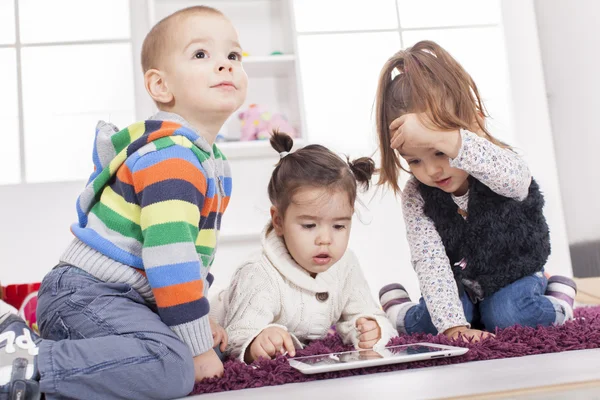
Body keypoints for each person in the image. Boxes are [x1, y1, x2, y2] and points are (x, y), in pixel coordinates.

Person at [0, 5, 247, 399]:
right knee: (172, 366)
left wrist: (200, 328)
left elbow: (190, 260)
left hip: (124, 298)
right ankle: (25, 365)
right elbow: (170, 259)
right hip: (84, 295)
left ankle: (35, 351)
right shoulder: (172, 156)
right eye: (202, 55)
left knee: (194, 347)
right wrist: (197, 350)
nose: (225, 65)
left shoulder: (211, 161)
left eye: (233, 56)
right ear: (161, 86)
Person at [374, 41, 577, 342]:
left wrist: (448, 139)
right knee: (435, 321)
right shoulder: (417, 195)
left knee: (509, 316)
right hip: (462, 283)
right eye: (414, 160)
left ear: (475, 126)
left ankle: (559, 297)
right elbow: (430, 261)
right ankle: (400, 311)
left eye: (440, 152)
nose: (432, 170)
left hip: (514, 273)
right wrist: (454, 326)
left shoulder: (497, 163)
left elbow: (516, 180)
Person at [212, 132, 397, 363]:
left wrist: (372, 328)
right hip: (208, 315)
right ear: (278, 221)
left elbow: (364, 312)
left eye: (339, 226)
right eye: (309, 225)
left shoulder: (345, 264)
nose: (325, 239)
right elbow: (236, 336)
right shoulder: (259, 272)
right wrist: (258, 341)